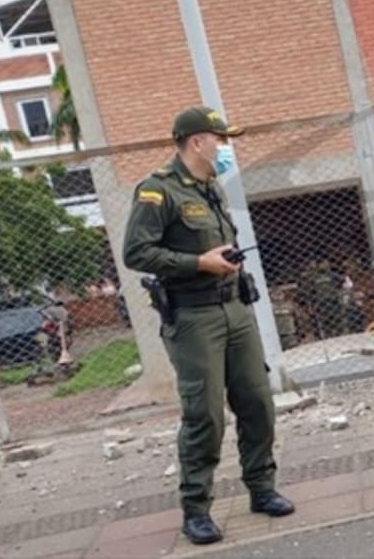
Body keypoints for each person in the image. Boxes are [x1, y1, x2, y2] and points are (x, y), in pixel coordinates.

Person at [121, 107, 293, 546]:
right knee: (205, 416)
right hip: (193, 317)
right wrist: (199, 262)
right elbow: (136, 252)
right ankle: (196, 510)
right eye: (220, 139)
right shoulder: (158, 191)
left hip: (235, 309)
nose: (224, 147)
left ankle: (262, 488)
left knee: (257, 401)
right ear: (197, 142)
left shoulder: (211, 188)